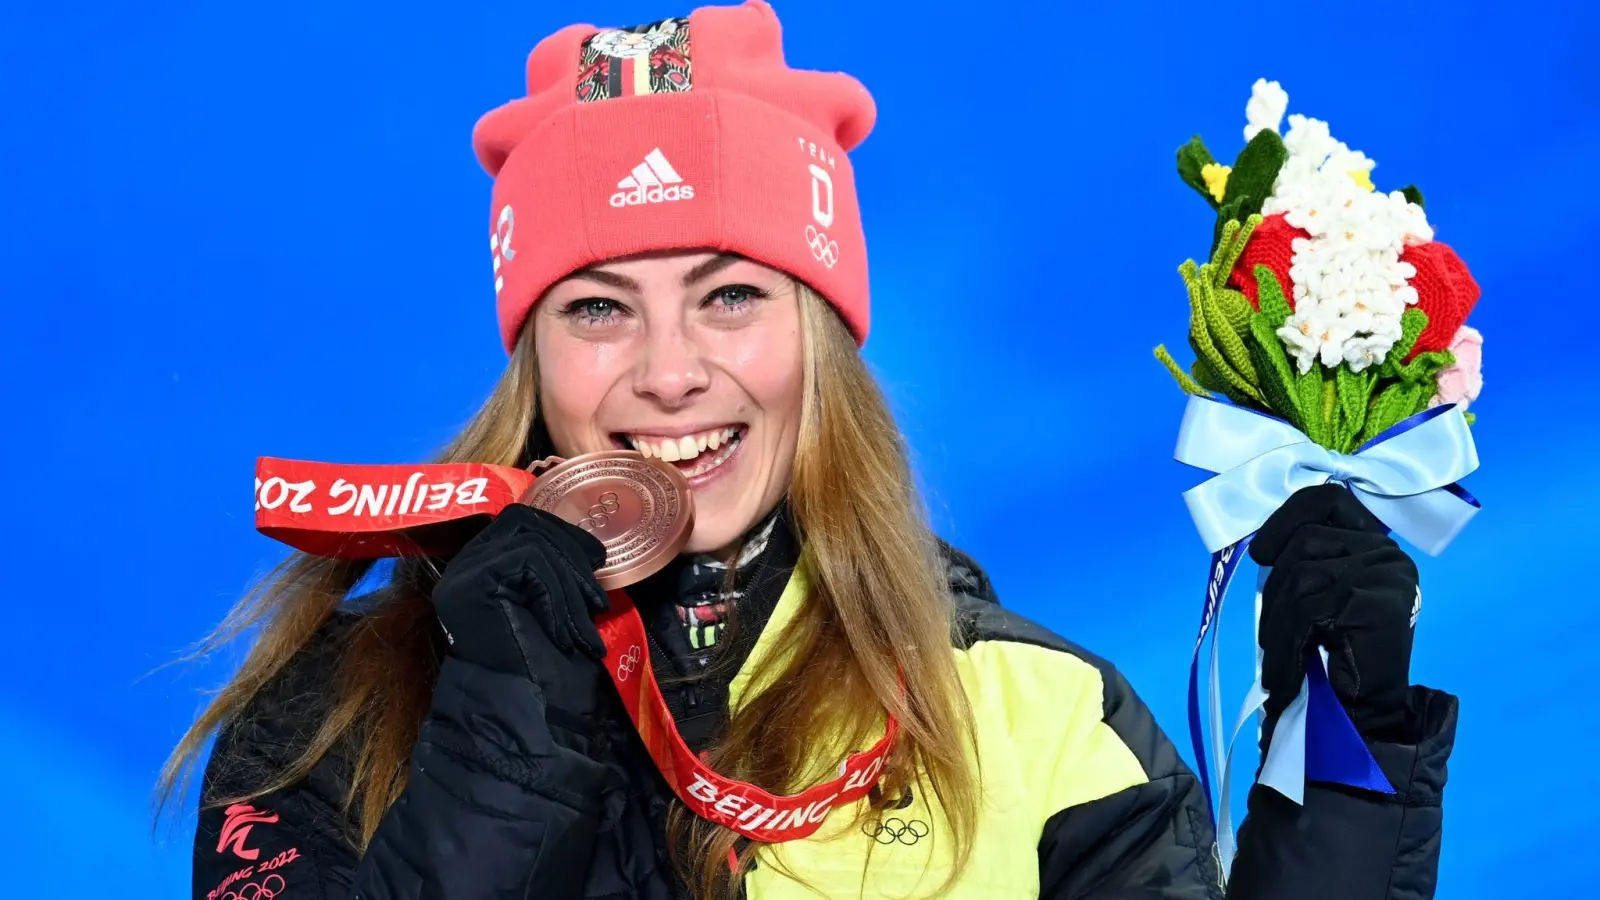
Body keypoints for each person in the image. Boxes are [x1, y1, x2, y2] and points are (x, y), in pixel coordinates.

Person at [164, 2, 1459, 898]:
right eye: (599, 306)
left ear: (823, 337)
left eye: (731, 294)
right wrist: (508, 727)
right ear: (534, 355)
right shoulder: (337, 703)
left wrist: (1346, 765)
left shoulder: (1032, 720)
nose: (670, 370)